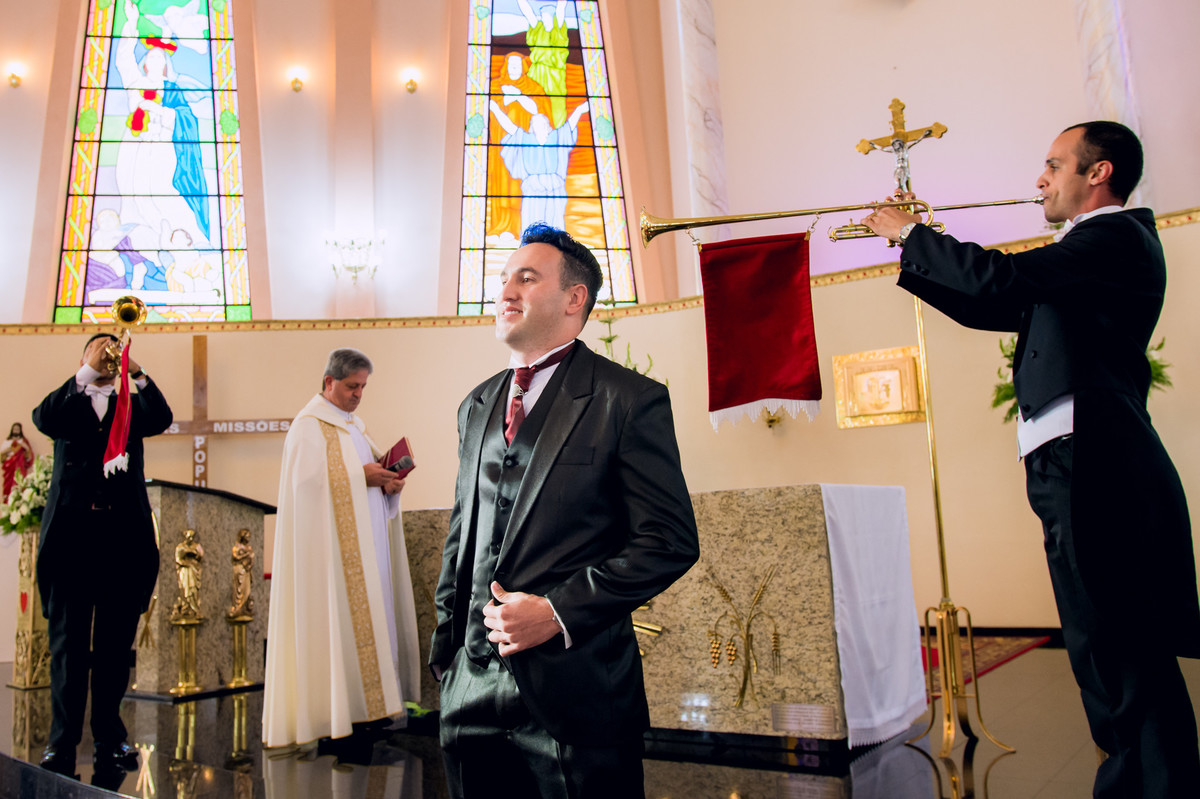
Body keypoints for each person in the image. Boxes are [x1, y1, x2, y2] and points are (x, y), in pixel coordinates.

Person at [861, 120, 1200, 797]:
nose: (1039, 179)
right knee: (1104, 647)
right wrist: (914, 254)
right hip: (1075, 461)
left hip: (1095, 463)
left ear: (1097, 172)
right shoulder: (1089, 256)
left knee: (1120, 647)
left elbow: (1003, 277)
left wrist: (911, 233)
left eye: (1053, 164)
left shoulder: (1113, 237)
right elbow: (999, 300)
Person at [430, 224, 700, 798]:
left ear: (575, 298)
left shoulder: (628, 400)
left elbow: (669, 539)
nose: (506, 291)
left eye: (527, 279)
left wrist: (555, 611)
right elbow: (463, 536)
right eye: (503, 279)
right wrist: (448, 660)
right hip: (470, 693)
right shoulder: (474, 406)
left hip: (579, 699)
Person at [263, 348, 420, 748]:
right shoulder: (308, 427)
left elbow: (366, 482)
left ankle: (370, 710)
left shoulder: (353, 428)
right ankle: (338, 715)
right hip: (331, 562)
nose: (358, 394)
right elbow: (304, 491)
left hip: (369, 556)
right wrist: (357, 476)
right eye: (352, 386)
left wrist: (388, 483)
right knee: (338, 629)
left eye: (363, 387)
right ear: (329, 382)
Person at [31, 332, 173, 778]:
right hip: (73, 541)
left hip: (121, 541)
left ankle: (110, 739)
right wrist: (89, 370)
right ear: (86, 359)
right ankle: (62, 742)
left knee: (114, 647)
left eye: (114, 351)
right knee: (68, 648)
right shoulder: (68, 401)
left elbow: (163, 417)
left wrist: (136, 371)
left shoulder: (131, 406)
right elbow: (43, 417)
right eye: (102, 351)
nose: (109, 357)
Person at [2, 421, 34, 501]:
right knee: (8, 487)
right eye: (14, 429)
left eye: (17, 429)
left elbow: (28, 456)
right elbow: (1, 455)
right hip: (9, 467)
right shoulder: (7, 441)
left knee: (18, 484)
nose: (16, 430)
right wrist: (7, 450)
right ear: (12, 430)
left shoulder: (23, 442)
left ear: (20, 430)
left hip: (19, 467)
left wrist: (25, 447)